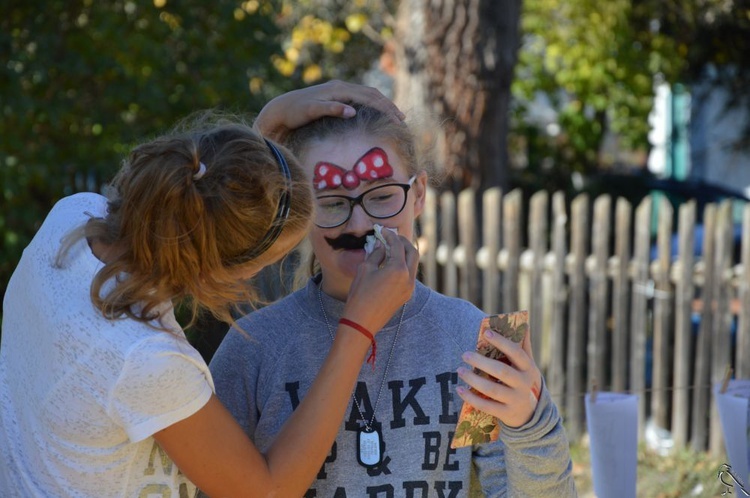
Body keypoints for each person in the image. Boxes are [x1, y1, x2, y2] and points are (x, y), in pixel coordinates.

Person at [0, 82, 420, 497]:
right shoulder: (144, 359)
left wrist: (264, 128)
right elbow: (268, 490)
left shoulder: (74, 217)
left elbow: (205, 199)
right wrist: (357, 329)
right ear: (225, 274)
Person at [209, 104, 578, 496]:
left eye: (382, 196)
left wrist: (529, 425)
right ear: (301, 213)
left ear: (418, 194)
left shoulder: (471, 338)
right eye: (332, 202)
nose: (360, 224)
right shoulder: (254, 348)